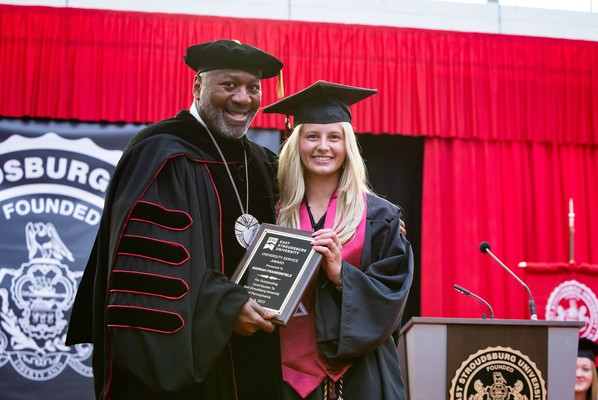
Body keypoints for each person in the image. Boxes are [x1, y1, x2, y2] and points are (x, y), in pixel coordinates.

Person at [66, 40, 284, 399]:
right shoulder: (162, 153)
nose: (243, 98)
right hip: (187, 365)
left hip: (256, 348)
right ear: (198, 86)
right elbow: (150, 270)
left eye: (253, 87)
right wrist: (226, 308)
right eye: (229, 85)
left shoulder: (260, 161)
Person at [263, 81, 414, 399]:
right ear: (296, 143)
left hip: (357, 373)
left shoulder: (379, 216)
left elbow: (392, 296)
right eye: (312, 136)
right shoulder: (271, 211)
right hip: (278, 369)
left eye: (334, 137)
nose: (323, 146)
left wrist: (342, 276)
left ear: (348, 146)